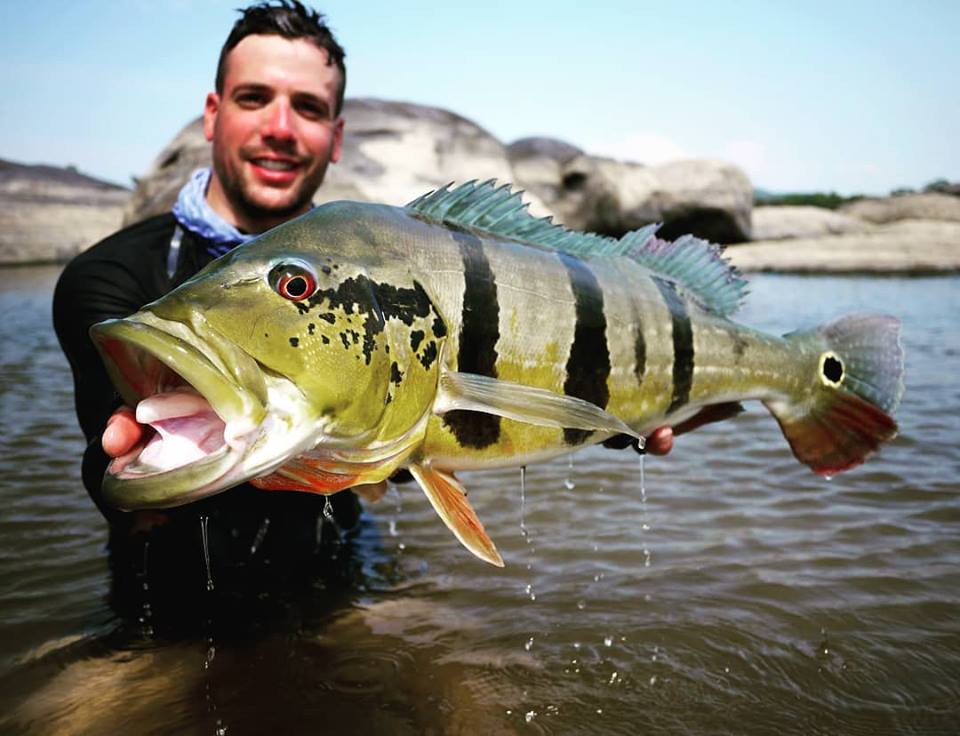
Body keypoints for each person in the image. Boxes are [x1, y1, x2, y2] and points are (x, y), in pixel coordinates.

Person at [54, 1, 676, 620]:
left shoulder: (386, 261)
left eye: (309, 107)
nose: (280, 127)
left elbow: (405, 441)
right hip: (165, 614)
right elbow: (113, 449)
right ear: (212, 115)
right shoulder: (108, 279)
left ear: (337, 136)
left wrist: (611, 414)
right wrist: (116, 474)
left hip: (344, 592)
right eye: (253, 98)